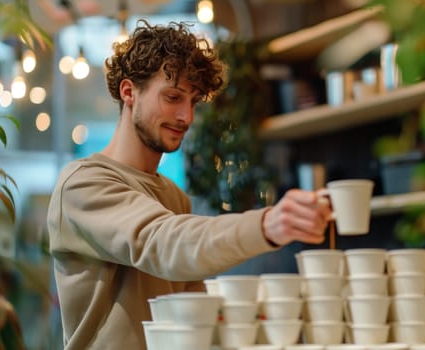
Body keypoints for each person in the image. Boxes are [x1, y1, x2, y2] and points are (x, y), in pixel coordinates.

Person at [47, 19, 331, 350]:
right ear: (129, 92)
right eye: (172, 97)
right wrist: (267, 225)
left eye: (194, 102)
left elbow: (188, 301)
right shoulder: (83, 184)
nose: (187, 117)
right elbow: (164, 242)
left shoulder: (173, 196)